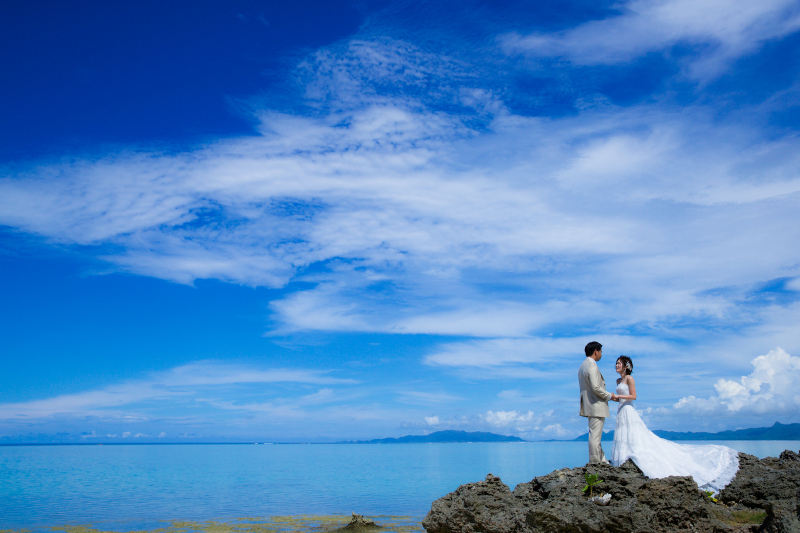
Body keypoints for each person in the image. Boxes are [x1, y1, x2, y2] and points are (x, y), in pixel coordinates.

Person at [610, 355, 739, 494]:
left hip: (629, 410)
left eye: (619, 363)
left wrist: (618, 396)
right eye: (616, 363)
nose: (616, 365)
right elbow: (621, 398)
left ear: (626, 366)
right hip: (621, 410)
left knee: (634, 434)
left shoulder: (630, 379)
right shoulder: (618, 380)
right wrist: (614, 398)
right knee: (622, 436)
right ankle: (623, 461)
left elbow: (633, 396)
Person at [578, 341, 617, 463]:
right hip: (596, 405)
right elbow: (596, 387)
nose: (601, 355)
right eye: (600, 352)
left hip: (588, 404)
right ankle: (595, 461)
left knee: (594, 434)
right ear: (596, 351)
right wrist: (609, 396)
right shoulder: (592, 365)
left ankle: (602, 460)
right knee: (595, 436)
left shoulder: (582, 366)